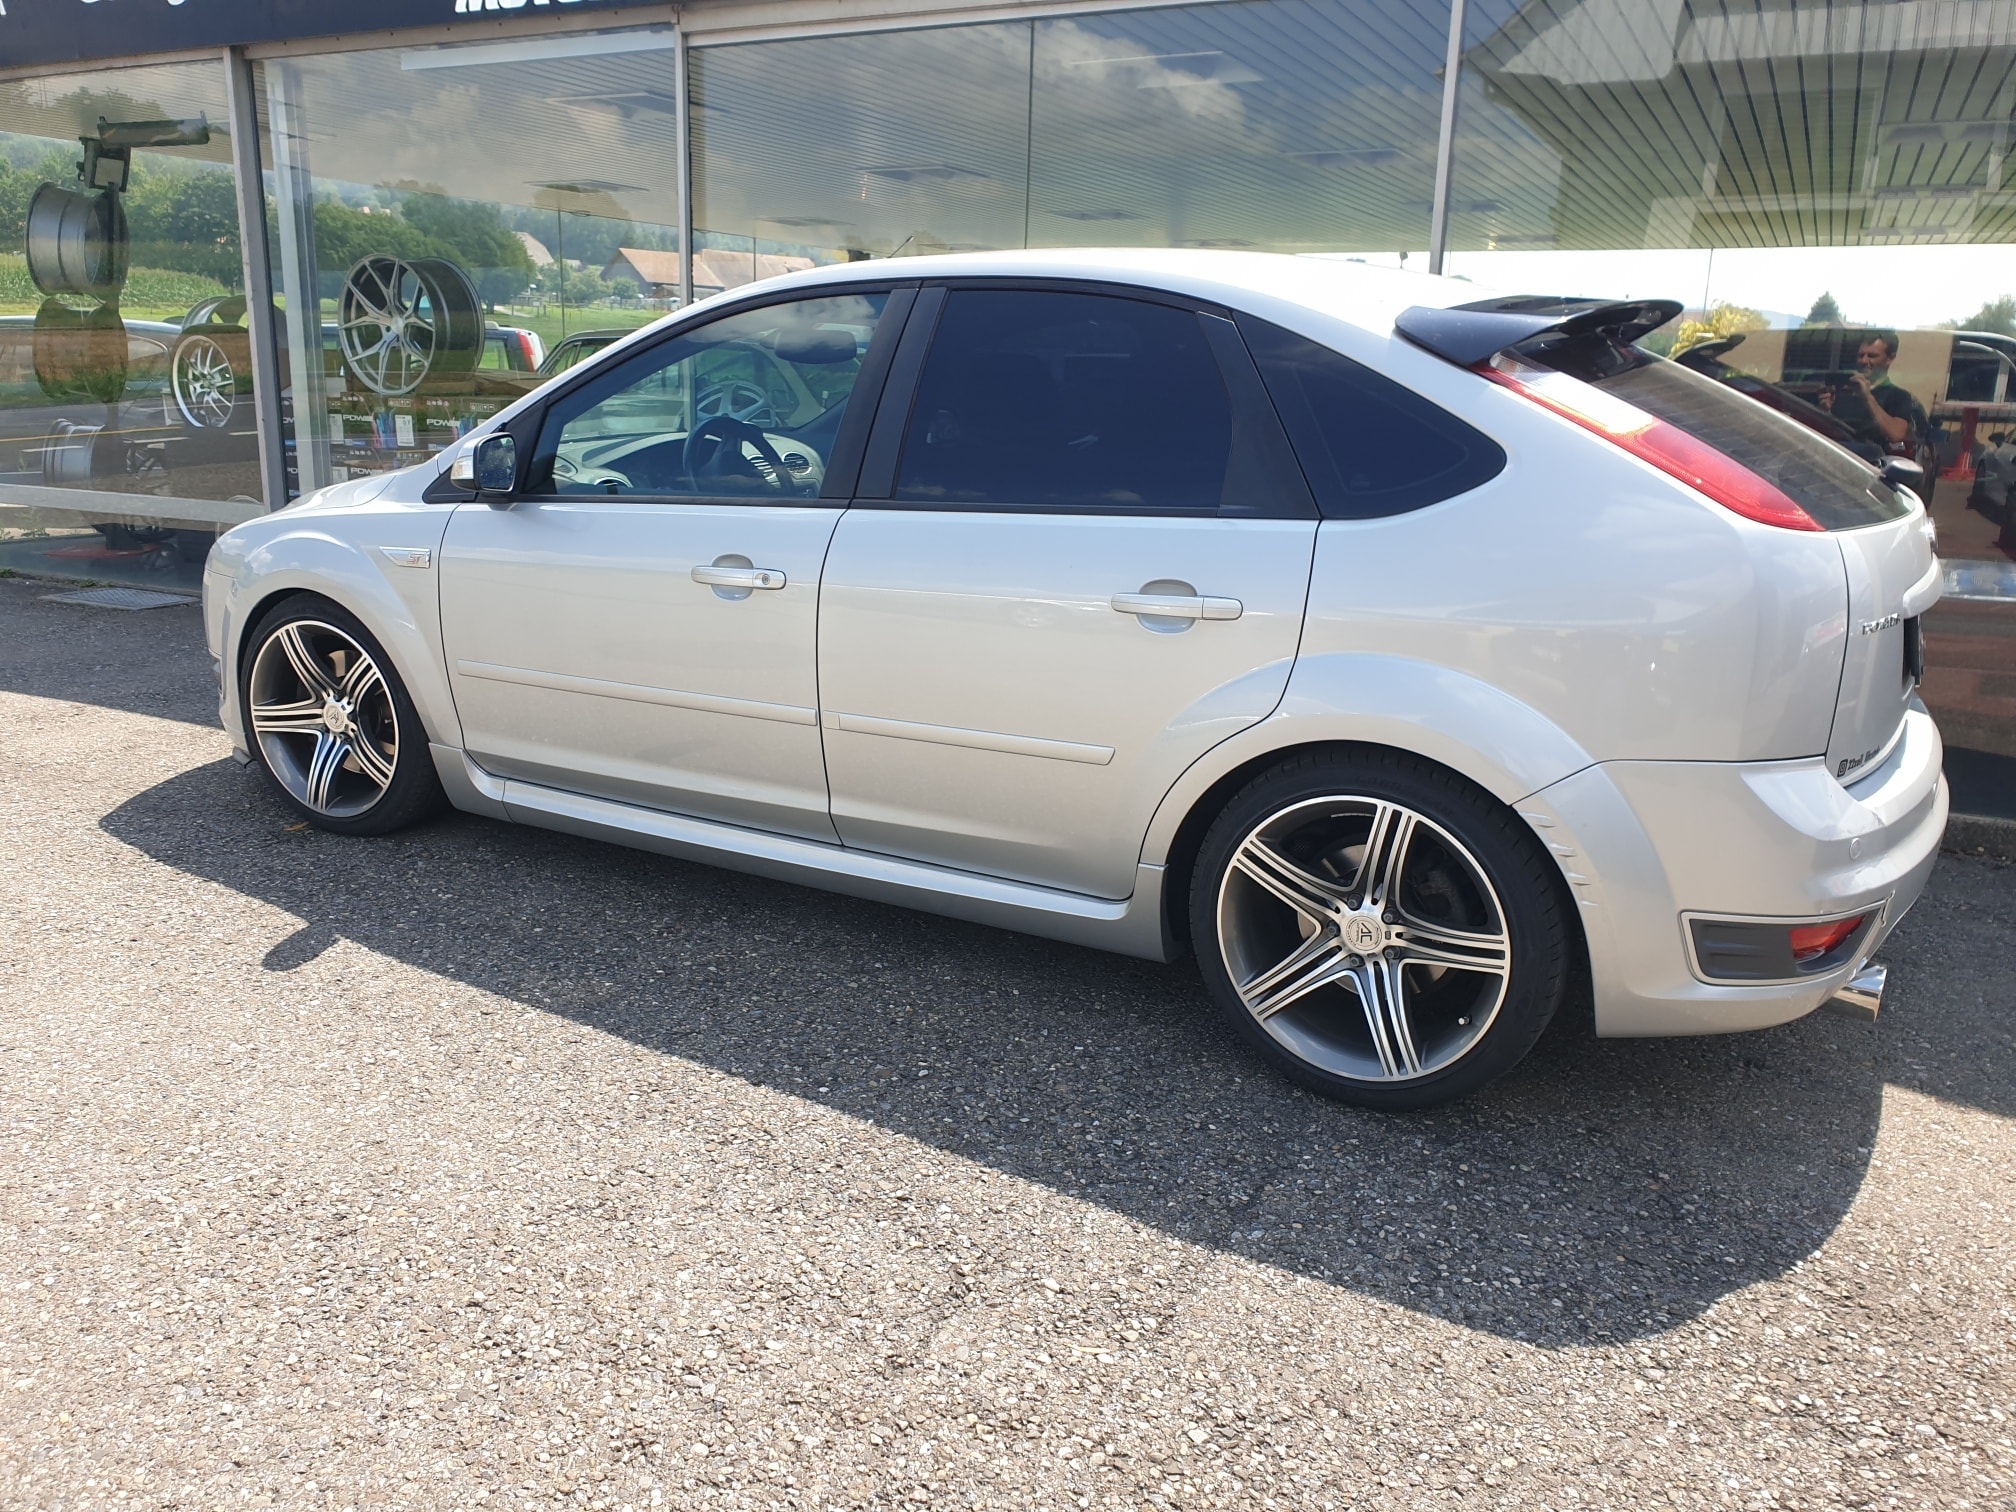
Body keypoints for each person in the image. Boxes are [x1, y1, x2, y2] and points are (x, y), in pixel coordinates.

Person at [1818, 331, 1926, 458]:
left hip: (1871, 466)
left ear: (1889, 359)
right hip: (1832, 458)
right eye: (1861, 355)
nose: (1864, 361)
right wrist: (1824, 411)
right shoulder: (1840, 392)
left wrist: (1867, 397)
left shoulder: (1898, 396)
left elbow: (1896, 435)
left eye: (1872, 356)